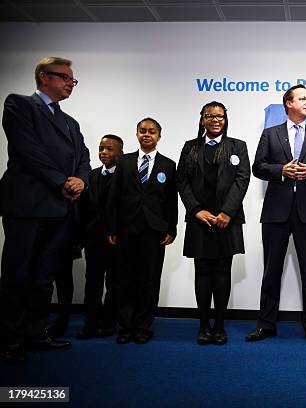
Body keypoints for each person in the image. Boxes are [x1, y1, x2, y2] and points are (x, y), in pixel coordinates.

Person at [0, 56, 90, 364]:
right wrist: (62, 181)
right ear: (43, 76)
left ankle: (36, 334)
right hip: (28, 206)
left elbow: (84, 156)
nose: (69, 83)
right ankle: (10, 339)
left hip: (61, 210)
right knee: (17, 274)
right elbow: (28, 151)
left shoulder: (70, 121)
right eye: (64, 77)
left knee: (43, 277)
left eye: (72, 79)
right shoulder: (19, 105)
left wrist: (81, 179)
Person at [248, 84, 306, 345]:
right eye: (303, 99)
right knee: (271, 271)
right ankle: (266, 325)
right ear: (288, 103)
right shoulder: (270, 134)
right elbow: (258, 167)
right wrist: (280, 171)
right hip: (276, 212)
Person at [177, 102, 250, 345]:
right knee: (203, 272)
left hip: (226, 221)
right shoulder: (190, 147)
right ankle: (203, 325)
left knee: (222, 272)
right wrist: (196, 210)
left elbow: (242, 180)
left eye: (220, 116)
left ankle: (219, 326)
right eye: (210, 116)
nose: (215, 120)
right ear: (202, 120)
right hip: (200, 221)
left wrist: (227, 212)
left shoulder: (237, 146)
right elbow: (182, 182)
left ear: (225, 119)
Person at [106, 118, 178, 345]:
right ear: (136, 134)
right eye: (143, 131)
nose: (147, 135)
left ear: (159, 136)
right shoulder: (124, 162)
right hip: (126, 229)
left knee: (149, 279)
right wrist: (112, 227)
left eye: (152, 132)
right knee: (124, 279)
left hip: (154, 231)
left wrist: (171, 228)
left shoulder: (168, 165)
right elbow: (113, 197)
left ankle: (143, 326)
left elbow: (170, 201)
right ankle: (125, 326)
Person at [76, 134, 124, 340]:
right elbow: (83, 208)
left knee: (114, 282)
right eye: (101, 148)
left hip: (115, 239)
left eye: (109, 149)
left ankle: (110, 322)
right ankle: (90, 323)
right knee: (92, 282)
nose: (103, 152)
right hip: (93, 239)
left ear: (120, 153)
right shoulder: (91, 175)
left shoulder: (125, 176)